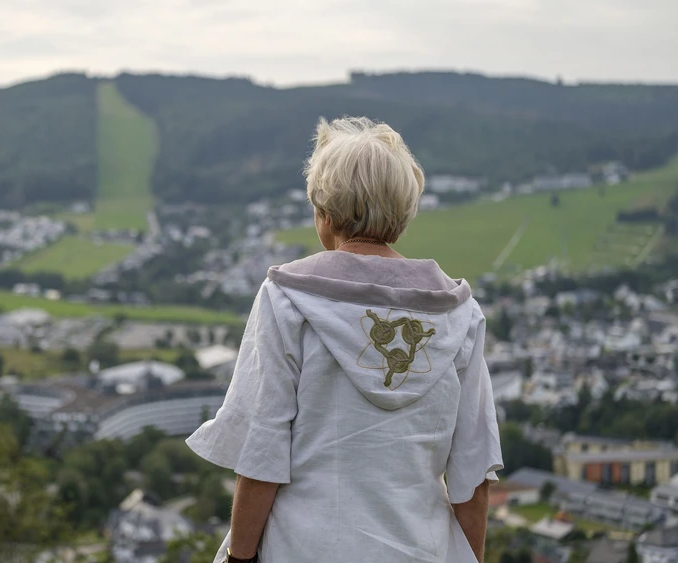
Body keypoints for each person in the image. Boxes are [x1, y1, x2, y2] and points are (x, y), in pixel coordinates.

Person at [186, 116, 503, 563]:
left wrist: (239, 558)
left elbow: (262, 452)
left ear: (325, 212)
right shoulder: (459, 314)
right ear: (404, 211)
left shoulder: (287, 299)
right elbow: (472, 474)